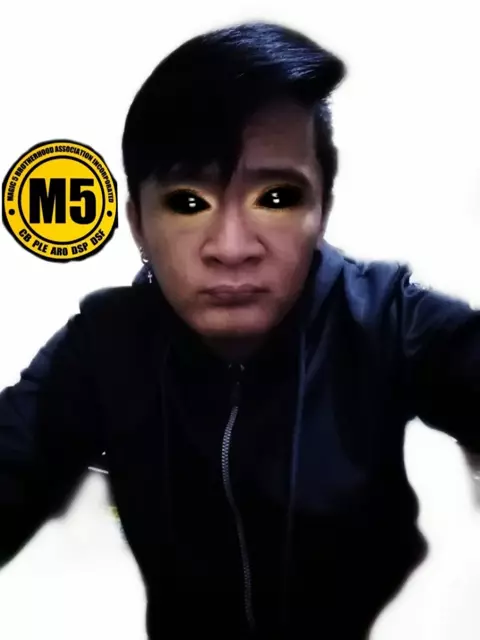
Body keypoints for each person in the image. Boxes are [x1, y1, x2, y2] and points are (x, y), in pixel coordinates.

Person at [0, 20, 479, 640]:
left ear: (322, 208)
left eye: (277, 198)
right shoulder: (102, 346)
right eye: (187, 202)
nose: (231, 248)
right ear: (137, 224)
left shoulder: (387, 319)